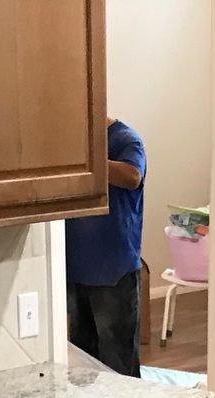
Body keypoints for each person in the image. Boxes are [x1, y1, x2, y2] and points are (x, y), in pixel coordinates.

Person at [66, 117, 146, 377]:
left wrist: (88, 161)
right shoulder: (69, 142)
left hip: (115, 271)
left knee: (118, 364)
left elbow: (133, 176)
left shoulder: (125, 139)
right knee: (83, 363)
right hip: (75, 271)